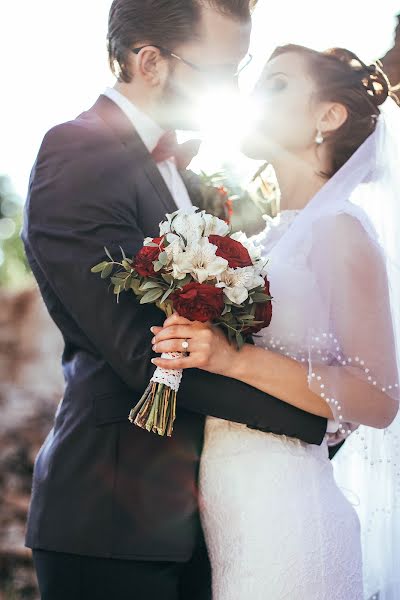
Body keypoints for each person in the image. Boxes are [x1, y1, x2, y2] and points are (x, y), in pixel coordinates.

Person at [21, 4, 330, 599]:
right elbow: (143, 353)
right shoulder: (77, 153)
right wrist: (315, 416)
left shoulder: (173, 170)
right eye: (219, 71)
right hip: (113, 517)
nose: (234, 91)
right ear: (151, 62)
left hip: (205, 514)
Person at [151, 46, 400, 598]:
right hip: (230, 514)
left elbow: (378, 396)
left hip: (290, 521)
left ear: (328, 117)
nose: (253, 98)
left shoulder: (340, 229)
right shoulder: (267, 243)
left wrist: (233, 357)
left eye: (278, 84)